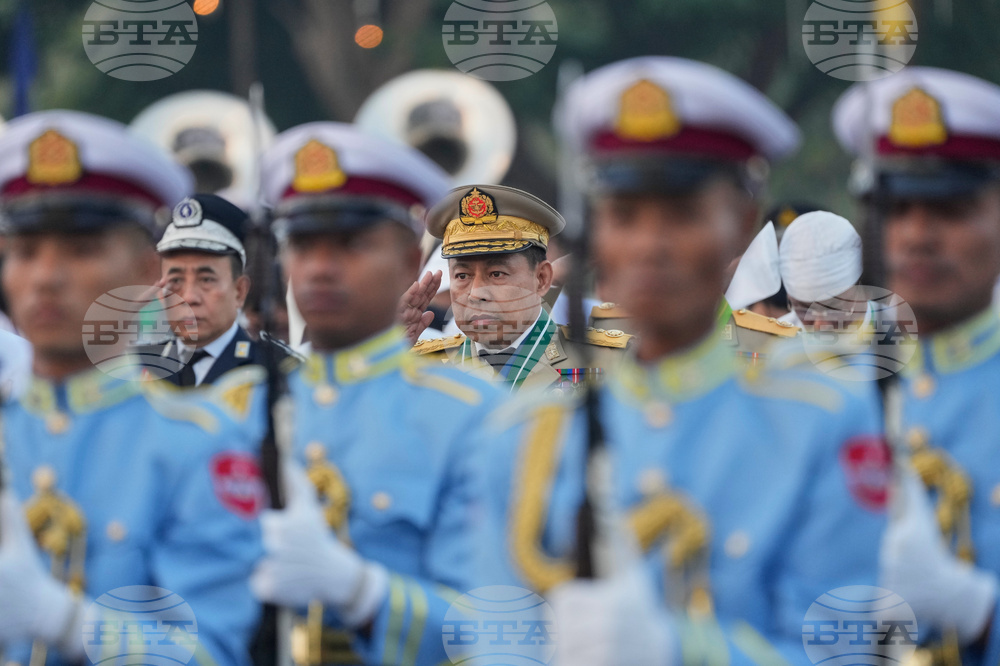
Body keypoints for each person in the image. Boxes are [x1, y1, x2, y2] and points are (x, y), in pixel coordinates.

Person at [475, 56, 889, 665]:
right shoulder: (527, 435)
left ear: (741, 224)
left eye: (681, 216)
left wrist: (679, 649)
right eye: (624, 217)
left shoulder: (820, 421)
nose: (650, 245)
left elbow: (843, 651)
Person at [0, 110, 264, 665]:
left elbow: (215, 652)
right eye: (25, 252)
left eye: (81, 250)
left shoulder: (197, 442)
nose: (45, 277)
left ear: (147, 273)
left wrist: (69, 624)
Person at [235, 122, 499, 665]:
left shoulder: (476, 419)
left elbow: (503, 629)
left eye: (350, 244)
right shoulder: (234, 413)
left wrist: (365, 595)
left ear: (408, 262)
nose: (320, 268)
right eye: (303, 244)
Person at [835, 66, 1000, 664]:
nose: (916, 236)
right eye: (895, 208)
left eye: (949, 209)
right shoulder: (817, 387)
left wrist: (980, 614)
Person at [408, 184, 632, 393]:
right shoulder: (419, 367)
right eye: (462, 276)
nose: (476, 293)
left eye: (497, 274)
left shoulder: (610, 362)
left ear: (542, 279)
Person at [142, 193, 298, 387]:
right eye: (176, 281)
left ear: (240, 291)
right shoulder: (136, 369)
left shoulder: (280, 372)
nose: (190, 297)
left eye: (206, 280)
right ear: (160, 292)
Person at [778, 210, 866, 329]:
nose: (820, 326)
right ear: (790, 298)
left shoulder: (890, 329)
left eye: (834, 309)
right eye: (805, 311)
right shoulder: (775, 338)